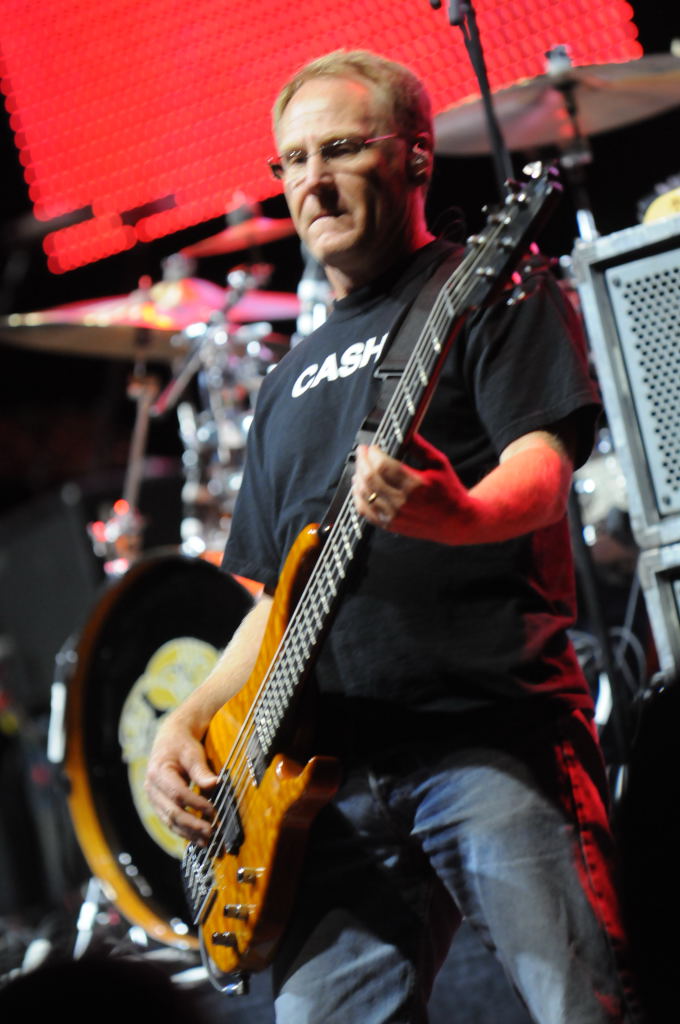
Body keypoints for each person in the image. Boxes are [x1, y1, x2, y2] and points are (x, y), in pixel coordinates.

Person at [145, 50, 645, 1024]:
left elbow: (541, 473)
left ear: (416, 159)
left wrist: (458, 515)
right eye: (293, 160)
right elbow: (275, 602)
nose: (312, 181)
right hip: (324, 793)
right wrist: (190, 715)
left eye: (339, 148)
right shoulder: (285, 384)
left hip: (485, 737)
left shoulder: (490, 288)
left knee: (579, 1009)